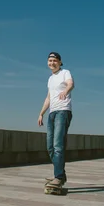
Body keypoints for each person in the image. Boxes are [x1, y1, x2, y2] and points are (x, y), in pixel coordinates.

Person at [38, 51, 74, 187]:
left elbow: (71, 84)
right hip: (52, 113)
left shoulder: (65, 72)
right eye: (49, 61)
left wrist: (66, 91)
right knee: (50, 147)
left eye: (54, 60)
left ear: (59, 62)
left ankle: (58, 177)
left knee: (58, 145)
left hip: (63, 111)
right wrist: (41, 113)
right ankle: (60, 174)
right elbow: (48, 97)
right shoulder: (50, 79)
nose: (52, 63)